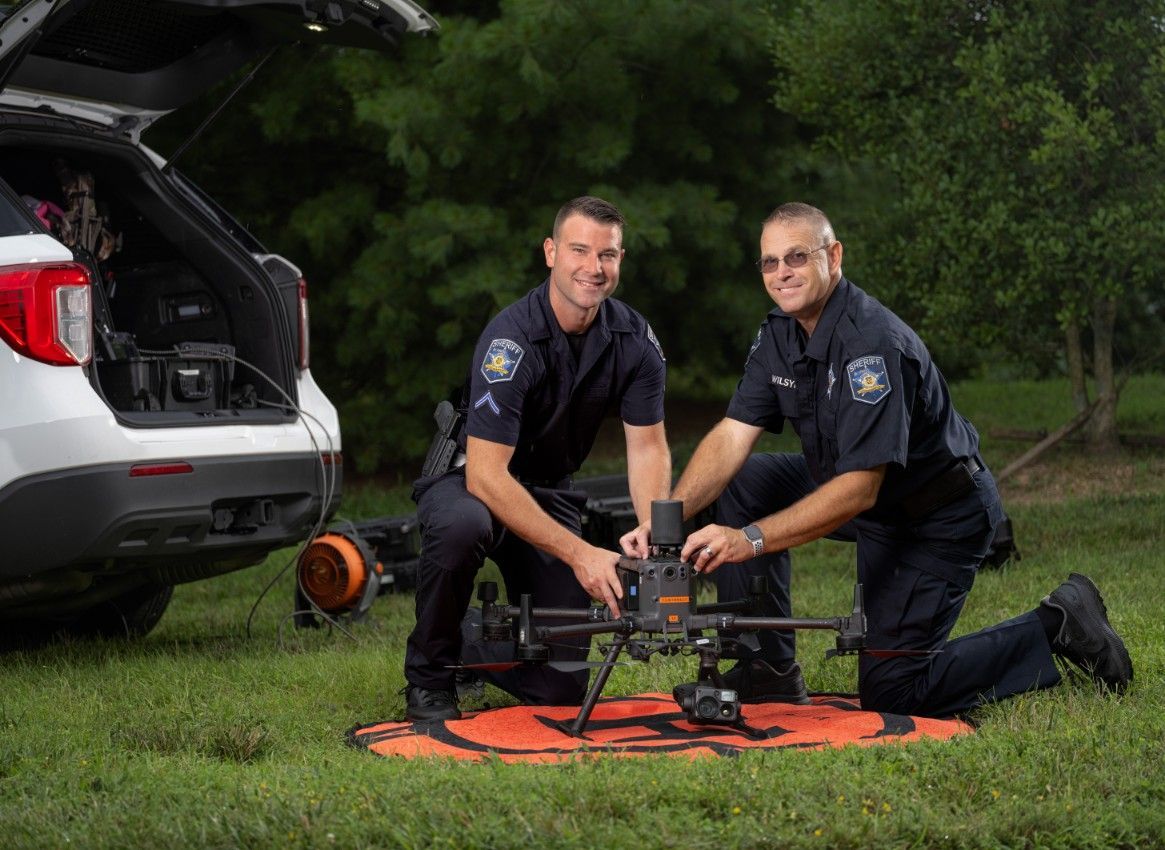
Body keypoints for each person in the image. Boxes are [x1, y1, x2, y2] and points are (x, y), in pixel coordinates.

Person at [621, 202, 1132, 717]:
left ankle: (1058, 624)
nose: (782, 273)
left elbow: (860, 487)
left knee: (894, 691)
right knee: (745, 480)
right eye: (770, 262)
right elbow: (733, 434)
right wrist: (666, 521)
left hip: (935, 517)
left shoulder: (871, 344)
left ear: (833, 256)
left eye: (797, 257)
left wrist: (748, 539)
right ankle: (765, 669)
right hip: (864, 496)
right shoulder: (780, 331)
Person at [403, 196, 672, 722]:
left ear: (621, 259)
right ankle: (430, 679)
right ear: (551, 252)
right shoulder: (511, 339)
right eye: (579, 250)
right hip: (471, 480)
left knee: (559, 688)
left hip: (550, 489)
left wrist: (652, 527)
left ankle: (468, 642)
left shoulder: (635, 340)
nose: (594, 267)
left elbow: (648, 446)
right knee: (461, 526)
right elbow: (486, 476)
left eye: (607, 254)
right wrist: (581, 553)